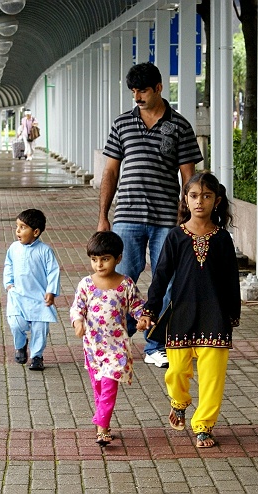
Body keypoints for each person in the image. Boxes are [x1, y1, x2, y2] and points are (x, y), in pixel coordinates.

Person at [99, 62, 204, 368]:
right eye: (133, 91)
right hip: (126, 217)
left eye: (142, 90)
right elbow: (110, 172)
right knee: (121, 280)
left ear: (159, 87)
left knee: (168, 281)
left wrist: (190, 219)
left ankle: (155, 344)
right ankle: (119, 338)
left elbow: (189, 179)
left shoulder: (180, 126)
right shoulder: (121, 124)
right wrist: (104, 216)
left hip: (166, 221)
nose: (137, 97)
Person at [137, 172, 241, 448]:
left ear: (216, 201)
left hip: (215, 316)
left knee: (212, 377)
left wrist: (233, 312)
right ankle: (179, 401)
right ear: (185, 199)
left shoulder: (222, 239)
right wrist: (149, 310)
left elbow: (232, 277)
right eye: (194, 196)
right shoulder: (175, 236)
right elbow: (160, 276)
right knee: (177, 370)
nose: (199, 202)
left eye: (206, 196)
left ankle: (204, 426)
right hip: (181, 313)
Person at [69, 231, 146, 446]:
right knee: (99, 388)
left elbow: (138, 306)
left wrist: (142, 319)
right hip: (93, 347)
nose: (99, 265)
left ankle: (101, 426)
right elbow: (77, 308)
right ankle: (103, 423)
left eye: (105, 259)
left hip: (117, 347)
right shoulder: (86, 284)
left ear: (118, 258)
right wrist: (78, 323)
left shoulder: (126, 284)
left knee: (110, 385)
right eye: (94, 260)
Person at [3, 208, 60, 371]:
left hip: (39, 298)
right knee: (15, 323)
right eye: (17, 226)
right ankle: (20, 345)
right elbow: (8, 265)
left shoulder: (45, 251)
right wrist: (8, 283)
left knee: (40, 328)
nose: (18, 231)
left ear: (35, 231)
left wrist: (51, 291)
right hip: (17, 295)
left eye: (23, 227)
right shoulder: (14, 248)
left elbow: (53, 271)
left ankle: (37, 356)